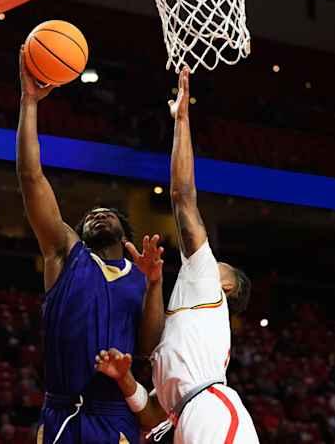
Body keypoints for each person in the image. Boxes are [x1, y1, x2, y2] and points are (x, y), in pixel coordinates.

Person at [95, 67, 258, 443]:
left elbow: (183, 198)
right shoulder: (188, 327)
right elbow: (154, 408)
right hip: (192, 417)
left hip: (211, 412)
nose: (211, 260)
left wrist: (181, 122)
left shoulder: (207, 285)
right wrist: (125, 379)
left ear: (226, 287)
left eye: (220, 265)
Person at [16, 46, 166, 444]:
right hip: (61, 410)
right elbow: (32, 179)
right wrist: (29, 102)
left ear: (124, 232)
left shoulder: (140, 277)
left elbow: (149, 348)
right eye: (91, 214)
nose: (99, 214)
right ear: (79, 231)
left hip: (114, 414)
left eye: (108, 213)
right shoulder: (65, 255)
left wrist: (154, 284)